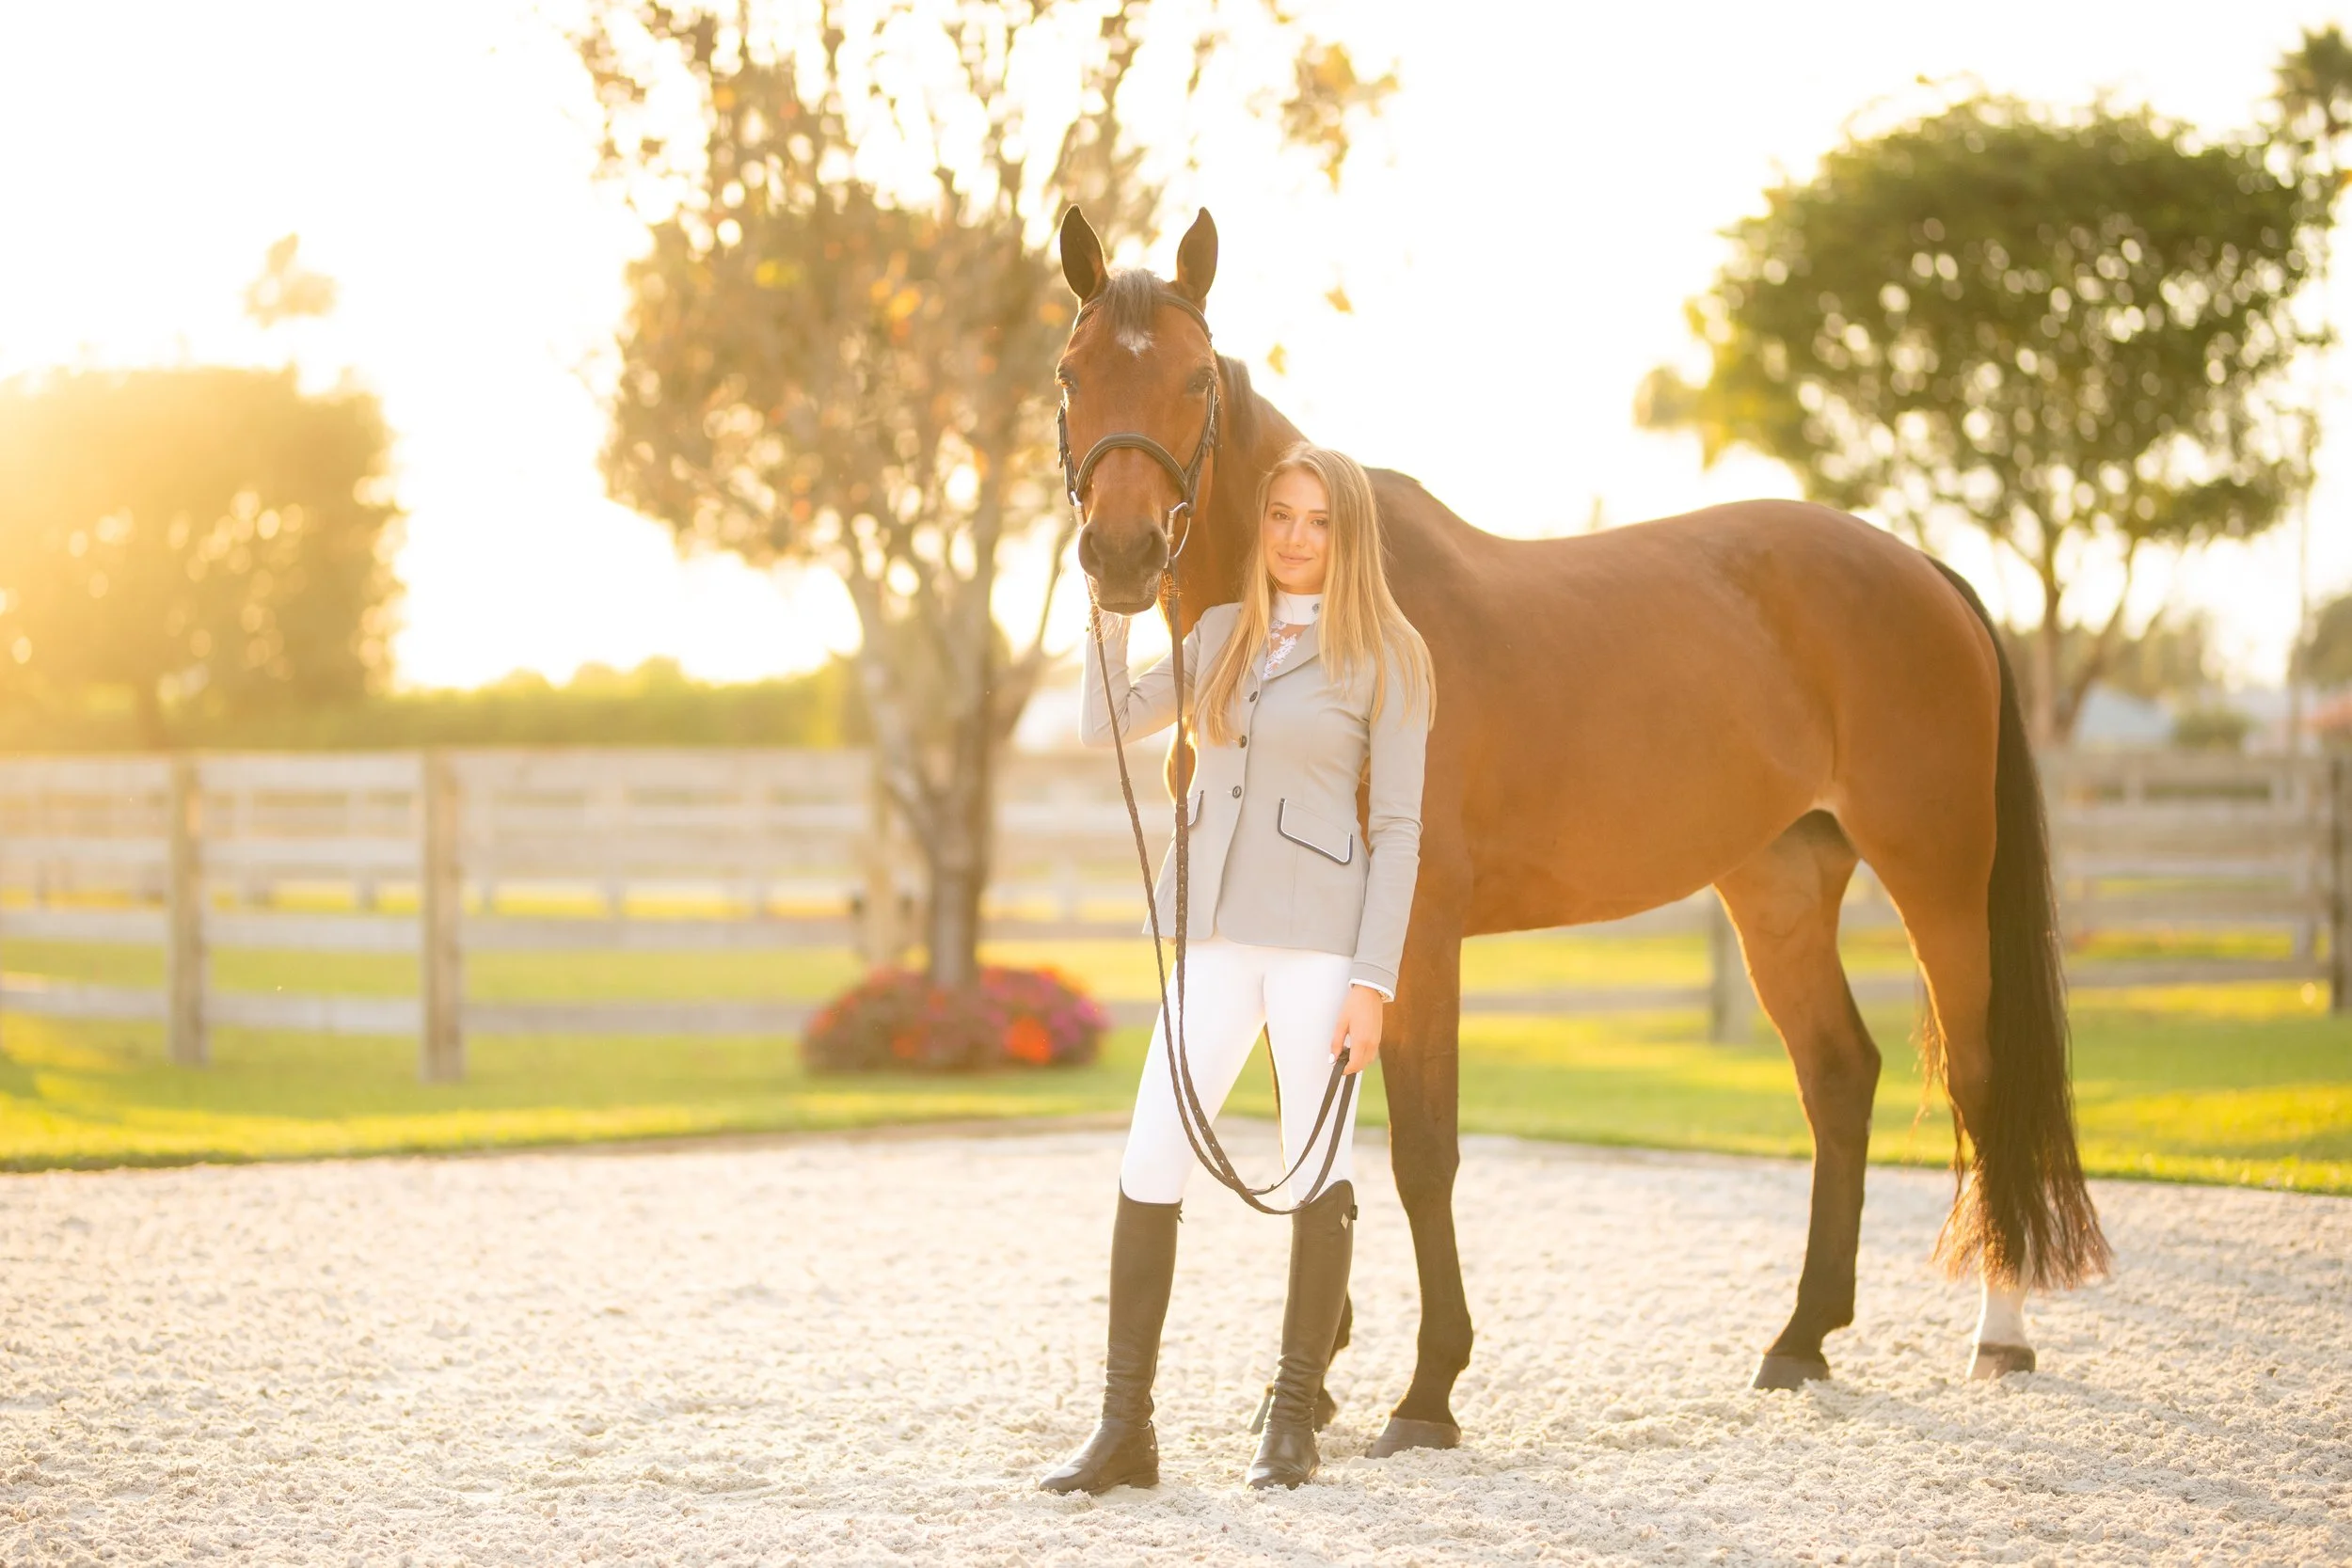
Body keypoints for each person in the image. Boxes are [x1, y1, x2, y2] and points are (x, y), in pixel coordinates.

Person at [1043, 441, 1435, 1493]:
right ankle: (1124, 1428)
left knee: (1316, 1171)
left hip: (1320, 943)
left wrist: (1374, 981)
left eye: (1319, 520)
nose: (1296, 538)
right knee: (1149, 1159)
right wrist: (1111, 598)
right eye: (1281, 516)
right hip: (1210, 930)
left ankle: (1293, 1417)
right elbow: (1101, 720)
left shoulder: (1390, 654)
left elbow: (1399, 830)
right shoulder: (1219, 631)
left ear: (1348, 534)